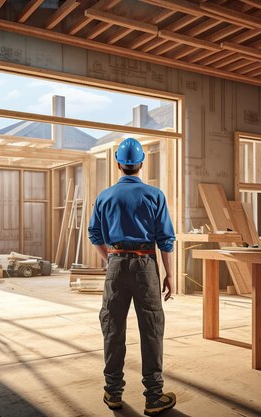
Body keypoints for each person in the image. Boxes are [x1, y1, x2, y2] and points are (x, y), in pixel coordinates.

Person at [88, 137, 176, 416]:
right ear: (141, 164)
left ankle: (113, 393)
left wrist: (111, 259)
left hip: (115, 264)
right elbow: (165, 239)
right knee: (151, 328)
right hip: (145, 265)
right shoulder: (154, 195)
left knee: (113, 328)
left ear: (118, 164)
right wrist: (169, 274)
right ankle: (153, 397)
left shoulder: (104, 196)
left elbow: (95, 235)